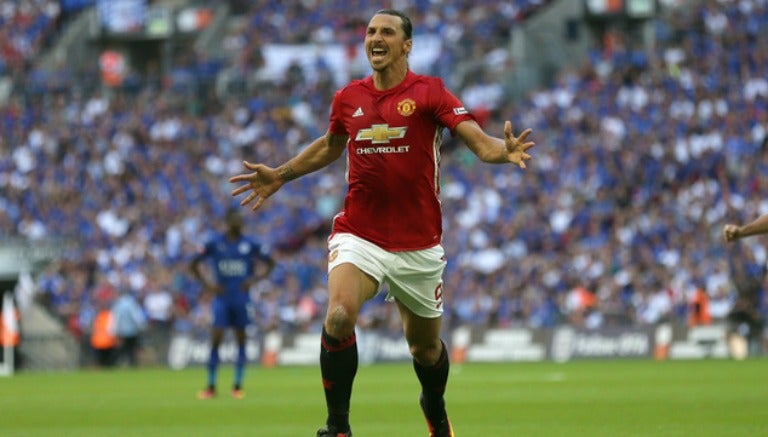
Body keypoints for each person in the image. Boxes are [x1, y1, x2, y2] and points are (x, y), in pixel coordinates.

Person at [229, 9, 535, 437]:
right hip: (361, 234)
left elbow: (481, 145)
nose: (376, 37)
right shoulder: (349, 97)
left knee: (425, 351)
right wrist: (280, 174)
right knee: (338, 316)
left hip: (418, 246)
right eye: (371, 31)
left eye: (387, 32)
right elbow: (332, 145)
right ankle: (338, 427)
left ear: (406, 44)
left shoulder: (431, 92)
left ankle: (435, 407)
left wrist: (504, 152)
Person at [191, 207, 275, 399]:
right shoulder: (214, 243)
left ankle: (237, 385)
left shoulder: (249, 243)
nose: (240, 223)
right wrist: (209, 285)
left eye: (241, 220)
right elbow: (194, 263)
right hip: (221, 298)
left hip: (241, 298)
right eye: (236, 220)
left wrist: (253, 280)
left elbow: (270, 263)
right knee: (216, 339)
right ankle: (211, 386)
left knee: (241, 340)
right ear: (228, 222)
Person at [111, 287, 147, 367]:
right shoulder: (132, 303)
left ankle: (124, 364)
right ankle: (132, 364)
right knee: (132, 349)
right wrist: (141, 326)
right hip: (132, 331)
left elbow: (115, 319)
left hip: (123, 331)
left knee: (124, 349)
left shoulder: (118, 304)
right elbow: (137, 317)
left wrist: (114, 331)